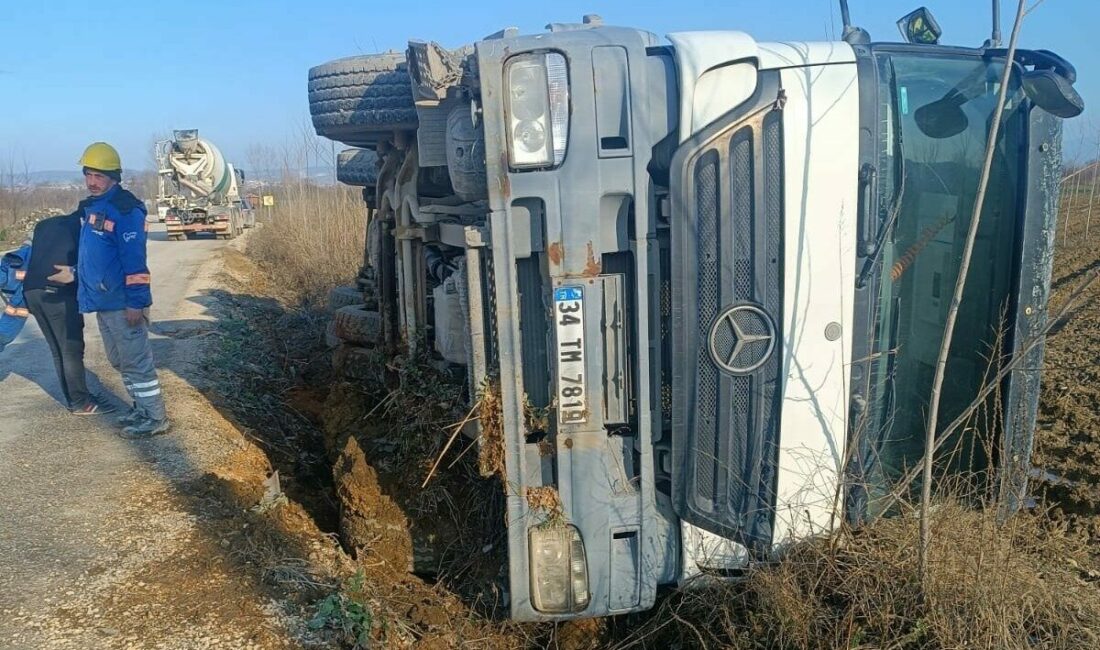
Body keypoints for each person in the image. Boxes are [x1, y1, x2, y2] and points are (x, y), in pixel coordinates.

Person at [74, 142, 170, 438]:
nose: (92, 182)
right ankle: (140, 407)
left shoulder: (124, 209)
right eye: (88, 175)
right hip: (103, 301)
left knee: (136, 361)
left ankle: (155, 417)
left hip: (122, 302)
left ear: (114, 176)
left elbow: (135, 261)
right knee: (119, 360)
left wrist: (136, 303)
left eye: (98, 176)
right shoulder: (94, 208)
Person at [20, 206, 116, 414]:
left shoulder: (43, 225)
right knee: (71, 349)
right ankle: (81, 402)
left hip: (31, 291)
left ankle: (76, 398)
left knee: (58, 349)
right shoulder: (84, 228)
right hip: (57, 291)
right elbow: (91, 260)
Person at [0, 237, 33, 353]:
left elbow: (2, 277)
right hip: (26, 297)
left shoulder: (15, 257)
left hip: (19, 299)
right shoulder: (40, 253)